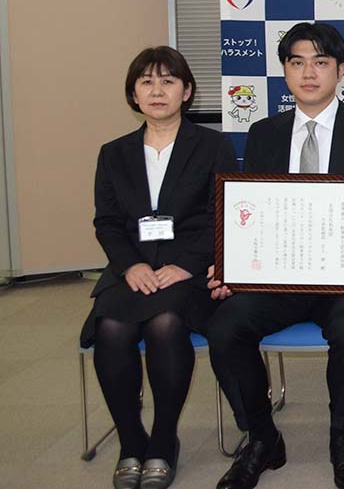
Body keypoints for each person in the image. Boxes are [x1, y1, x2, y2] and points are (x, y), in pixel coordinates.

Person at [206, 22, 344, 489]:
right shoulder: (264, 133)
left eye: (320, 62)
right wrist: (229, 264)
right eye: (297, 62)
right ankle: (262, 437)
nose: (308, 73)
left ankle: (342, 435)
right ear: (285, 71)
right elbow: (250, 210)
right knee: (225, 326)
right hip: (280, 275)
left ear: (341, 70)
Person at [82, 47, 237, 489]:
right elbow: (107, 222)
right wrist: (130, 265)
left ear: (186, 91)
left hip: (189, 271)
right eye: (147, 81)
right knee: (112, 327)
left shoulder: (212, 146)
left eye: (168, 81)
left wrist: (186, 265)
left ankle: (164, 440)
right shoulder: (113, 153)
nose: (157, 90)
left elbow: (224, 213)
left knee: (165, 324)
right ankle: (132, 440)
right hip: (131, 269)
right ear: (133, 93)